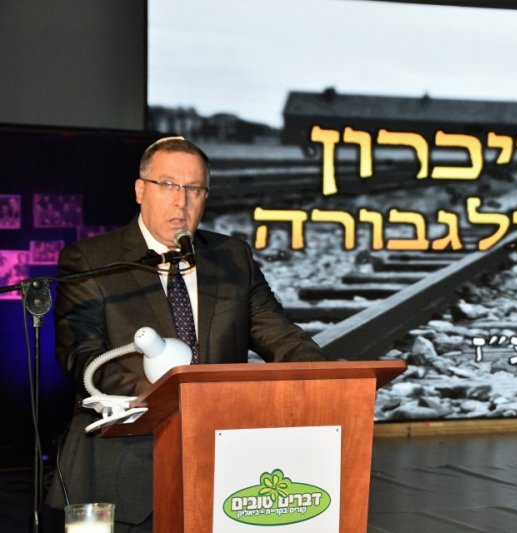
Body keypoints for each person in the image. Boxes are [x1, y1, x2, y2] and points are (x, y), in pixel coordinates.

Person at [44, 137, 324, 532]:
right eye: (168, 185)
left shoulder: (232, 257)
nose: (182, 201)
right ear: (140, 190)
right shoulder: (91, 259)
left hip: (222, 468)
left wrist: (327, 380)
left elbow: (279, 334)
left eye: (194, 189)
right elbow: (83, 355)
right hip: (122, 474)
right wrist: (170, 398)